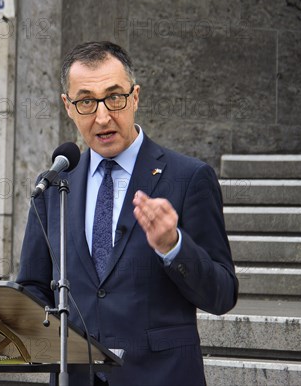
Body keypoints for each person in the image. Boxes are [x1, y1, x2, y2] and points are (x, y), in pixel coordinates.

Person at [16, 41, 238, 385]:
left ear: (135, 97)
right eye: (86, 101)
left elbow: (222, 294)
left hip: (161, 376)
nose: (102, 116)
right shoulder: (54, 185)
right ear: (68, 107)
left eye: (114, 97)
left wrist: (174, 246)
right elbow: (32, 286)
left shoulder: (188, 178)